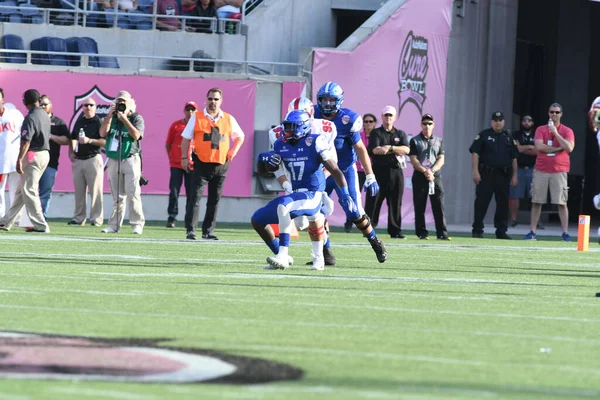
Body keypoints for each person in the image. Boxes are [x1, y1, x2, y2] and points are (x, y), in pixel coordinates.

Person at [252, 110, 361, 270]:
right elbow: (265, 170)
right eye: (286, 126)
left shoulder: (315, 141)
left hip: (313, 194)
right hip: (295, 194)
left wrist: (345, 194)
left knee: (284, 205)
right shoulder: (280, 144)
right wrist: (265, 163)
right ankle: (282, 255)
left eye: (291, 127)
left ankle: (283, 254)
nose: (286, 130)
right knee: (258, 219)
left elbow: (335, 170)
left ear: (303, 127)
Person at [314, 82, 386, 263]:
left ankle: (374, 240)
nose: (328, 104)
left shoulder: (348, 119)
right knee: (315, 211)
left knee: (354, 211)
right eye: (325, 99)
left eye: (332, 100)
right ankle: (326, 251)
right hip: (321, 171)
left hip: (343, 170)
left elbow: (360, 148)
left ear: (339, 101)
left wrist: (370, 175)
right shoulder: (311, 113)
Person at [269, 97, 338, 265]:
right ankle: (316, 256)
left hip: (314, 182)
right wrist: (286, 184)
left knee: (310, 217)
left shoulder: (323, 132)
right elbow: (277, 166)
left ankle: (320, 256)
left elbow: (332, 162)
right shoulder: (277, 135)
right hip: (293, 183)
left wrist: (317, 185)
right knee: (302, 222)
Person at [181, 87, 245, 240]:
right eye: (210, 99)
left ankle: (208, 231)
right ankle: (191, 230)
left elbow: (240, 136)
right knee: (195, 197)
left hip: (221, 165)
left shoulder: (229, 118)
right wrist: (184, 158)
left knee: (214, 200)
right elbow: (186, 138)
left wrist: (233, 151)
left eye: (216, 99)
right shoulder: (197, 117)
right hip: (201, 163)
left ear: (221, 101)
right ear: (206, 99)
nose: (213, 102)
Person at [0, 89, 51, 233]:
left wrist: (19, 159)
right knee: (21, 192)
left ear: (25, 102)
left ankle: (41, 225)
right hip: (45, 153)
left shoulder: (31, 117)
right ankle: (5, 221)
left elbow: (26, 140)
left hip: (33, 154)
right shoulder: (44, 114)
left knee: (29, 190)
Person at [524, 103, 575, 241]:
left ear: (561, 114)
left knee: (561, 202)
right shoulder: (541, 129)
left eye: (557, 112)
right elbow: (539, 147)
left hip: (559, 170)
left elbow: (569, 148)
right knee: (536, 201)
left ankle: (565, 233)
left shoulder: (567, 131)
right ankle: (532, 232)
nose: (554, 114)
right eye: (552, 112)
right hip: (541, 169)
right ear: (548, 113)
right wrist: (558, 148)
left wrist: (556, 133)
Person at [99, 90, 145, 234]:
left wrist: (124, 118)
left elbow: (137, 135)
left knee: (133, 193)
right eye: (118, 102)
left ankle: (137, 224)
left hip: (130, 158)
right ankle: (114, 225)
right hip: (114, 158)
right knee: (117, 196)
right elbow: (102, 133)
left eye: (123, 102)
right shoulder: (112, 118)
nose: (120, 104)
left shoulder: (136, 117)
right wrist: (109, 116)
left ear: (130, 103)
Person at [469, 111, 518, 239]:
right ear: (492, 122)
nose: (498, 123)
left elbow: (514, 157)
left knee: (502, 204)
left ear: (503, 121)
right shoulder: (484, 135)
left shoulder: (508, 137)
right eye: (495, 120)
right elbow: (475, 153)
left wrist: (515, 175)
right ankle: (477, 229)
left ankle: (501, 231)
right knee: (482, 202)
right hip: (486, 175)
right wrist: (475, 172)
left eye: (500, 120)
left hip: (503, 175)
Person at [367, 105, 410, 239]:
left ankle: (395, 230)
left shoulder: (400, 134)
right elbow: (375, 150)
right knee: (374, 199)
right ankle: (369, 229)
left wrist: (389, 148)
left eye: (391, 115)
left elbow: (406, 150)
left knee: (396, 201)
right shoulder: (376, 133)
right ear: (382, 116)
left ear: (394, 117)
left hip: (396, 171)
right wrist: (394, 149)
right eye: (386, 115)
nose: (388, 118)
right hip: (379, 170)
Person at [409, 113, 450, 240]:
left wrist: (432, 171)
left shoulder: (439, 141)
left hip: (435, 176)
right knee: (420, 205)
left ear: (434, 125)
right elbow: (413, 159)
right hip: (420, 176)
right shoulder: (415, 140)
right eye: (425, 123)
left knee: (438, 205)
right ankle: (421, 232)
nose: (427, 126)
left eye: (430, 123)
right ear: (421, 124)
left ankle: (442, 233)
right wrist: (425, 171)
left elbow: (441, 159)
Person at [68, 97, 105, 226]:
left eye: (91, 105)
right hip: (79, 160)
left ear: (95, 107)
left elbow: (104, 141)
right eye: (85, 105)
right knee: (79, 192)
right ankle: (78, 218)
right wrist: (71, 152)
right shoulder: (80, 121)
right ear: (82, 107)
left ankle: (96, 219)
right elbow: (72, 137)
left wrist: (89, 140)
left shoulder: (99, 122)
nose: (88, 107)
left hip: (93, 159)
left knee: (95, 191)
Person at [38, 94, 71, 219]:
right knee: (31, 192)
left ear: (51, 106)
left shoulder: (58, 122)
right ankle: (30, 218)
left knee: (45, 192)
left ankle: (42, 217)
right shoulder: (34, 119)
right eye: (40, 105)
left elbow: (67, 140)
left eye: (45, 104)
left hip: (50, 163)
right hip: (35, 162)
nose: (43, 107)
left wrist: (50, 136)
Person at [165, 101, 196, 228]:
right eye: (188, 109)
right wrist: (172, 157)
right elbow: (168, 144)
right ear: (184, 111)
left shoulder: (197, 126)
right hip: (176, 164)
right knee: (174, 191)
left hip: (191, 165)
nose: (190, 112)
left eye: (192, 109)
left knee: (191, 192)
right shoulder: (176, 125)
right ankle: (172, 217)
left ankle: (189, 219)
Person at [346, 113, 377, 233]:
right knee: (353, 197)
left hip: (371, 171)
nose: (368, 124)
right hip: (357, 170)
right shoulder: (358, 135)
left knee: (371, 198)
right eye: (366, 121)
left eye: (371, 121)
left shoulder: (376, 136)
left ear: (374, 123)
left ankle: (368, 224)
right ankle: (349, 223)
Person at [508, 115, 537, 228]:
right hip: (518, 168)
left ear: (532, 123)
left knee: (535, 196)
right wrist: (530, 147)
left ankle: (536, 221)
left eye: (529, 120)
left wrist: (523, 148)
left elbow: (539, 151)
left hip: (533, 168)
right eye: (524, 121)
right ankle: (514, 219)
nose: (526, 122)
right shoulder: (515, 135)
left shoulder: (537, 134)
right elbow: (516, 150)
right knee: (514, 195)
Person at [0, 90, 24, 219]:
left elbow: (24, 134)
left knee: (16, 190)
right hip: (1, 160)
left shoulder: (15, 114)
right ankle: (1, 216)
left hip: (14, 159)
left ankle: (15, 217)